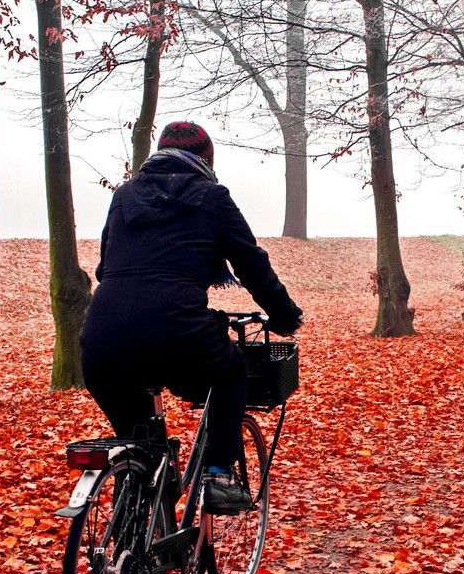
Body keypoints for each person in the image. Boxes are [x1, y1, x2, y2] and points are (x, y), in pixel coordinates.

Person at [80, 121, 303, 513]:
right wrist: (284, 315)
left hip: (103, 337)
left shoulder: (124, 196)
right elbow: (251, 264)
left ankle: (134, 505)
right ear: (207, 158)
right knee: (231, 371)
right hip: (177, 330)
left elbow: (104, 268)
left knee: (139, 440)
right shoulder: (212, 197)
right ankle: (218, 473)